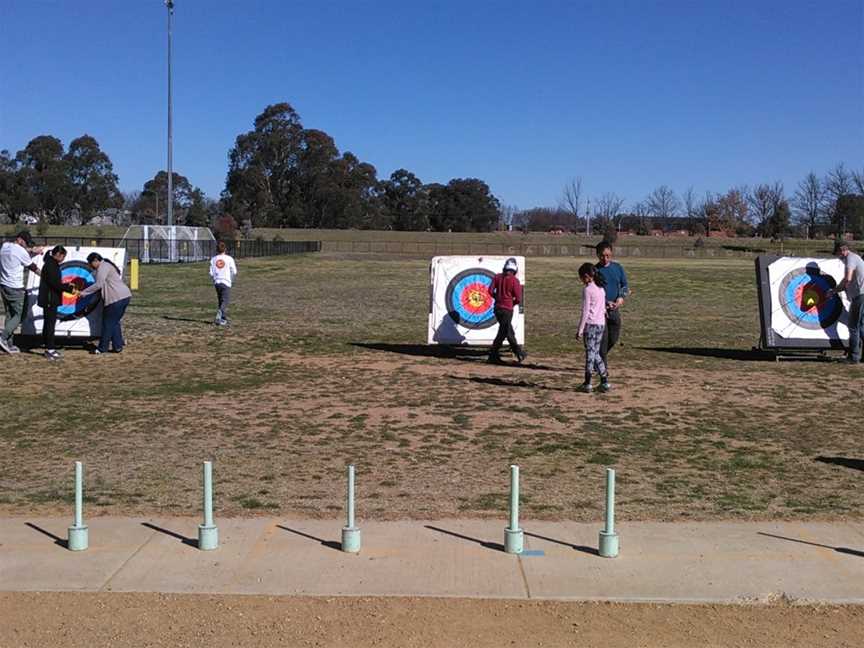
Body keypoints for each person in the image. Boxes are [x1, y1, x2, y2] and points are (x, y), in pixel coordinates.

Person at [76, 252, 132, 354]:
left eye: (90, 264)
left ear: (96, 261)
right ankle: (118, 346)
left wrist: (84, 293)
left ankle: (102, 348)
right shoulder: (105, 266)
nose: (90, 266)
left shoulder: (103, 267)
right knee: (114, 322)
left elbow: (98, 284)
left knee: (107, 324)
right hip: (124, 296)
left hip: (115, 298)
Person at [0, 231, 42, 354]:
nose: (26, 245)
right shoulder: (21, 251)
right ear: (19, 239)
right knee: (19, 316)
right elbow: (33, 267)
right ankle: (2, 337)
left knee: (10, 314)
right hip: (15, 287)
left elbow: (18, 252)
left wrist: (32, 250)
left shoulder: (5, 246)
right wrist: (46, 276)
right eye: (25, 242)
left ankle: (8, 343)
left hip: (3, 285)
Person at [37, 246, 77, 360]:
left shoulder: (51, 263)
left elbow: (54, 282)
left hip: (50, 298)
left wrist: (66, 286)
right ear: (59, 254)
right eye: (63, 256)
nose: (63, 259)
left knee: (48, 323)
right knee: (50, 324)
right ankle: (50, 349)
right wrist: (69, 288)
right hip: (50, 299)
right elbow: (55, 284)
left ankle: (48, 347)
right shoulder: (51, 265)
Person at [575, 263, 610, 392]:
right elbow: (603, 308)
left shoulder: (587, 290)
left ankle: (588, 382)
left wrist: (580, 329)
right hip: (601, 324)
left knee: (590, 354)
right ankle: (604, 380)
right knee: (595, 353)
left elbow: (585, 311)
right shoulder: (601, 289)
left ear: (586, 276)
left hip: (591, 325)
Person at [829, 240, 864, 364]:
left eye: (838, 253)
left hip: (860, 296)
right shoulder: (855, 257)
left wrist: (834, 290)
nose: (838, 256)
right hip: (861, 296)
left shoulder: (850, 258)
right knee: (861, 326)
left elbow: (848, 279)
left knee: (853, 327)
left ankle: (854, 357)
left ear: (843, 250)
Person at [594, 241, 629, 366]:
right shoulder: (595, 271)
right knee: (602, 343)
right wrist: (604, 303)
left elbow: (625, 285)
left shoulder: (618, 268)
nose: (605, 258)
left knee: (613, 339)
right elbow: (593, 293)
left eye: (608, 255)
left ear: (611, 253)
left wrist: (620, 298)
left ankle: (596, 359)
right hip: (600, 312)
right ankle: (603, 372)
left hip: (614, 310)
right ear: (597, 255)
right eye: (602, 256)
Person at [488, 257, 526, 364]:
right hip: (507, 309)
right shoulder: (515, 280)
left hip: (497, 308)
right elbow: (518, 298)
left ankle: (497, 355)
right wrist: (511, 303)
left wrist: (497, 298)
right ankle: (517, 352)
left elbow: (490, 291)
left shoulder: (497, 277)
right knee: (506, 331)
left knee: (506, 330)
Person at [209, 240, 238, 326]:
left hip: (217, 282)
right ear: (225, 249)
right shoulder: (229, 259)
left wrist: (214, 279)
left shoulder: (213, 259)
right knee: (225, 301)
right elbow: (234, 271)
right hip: (226, 281)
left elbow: (211, 272)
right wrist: (231, 279)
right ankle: (219, 316)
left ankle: (223, 318)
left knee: (220, 300)